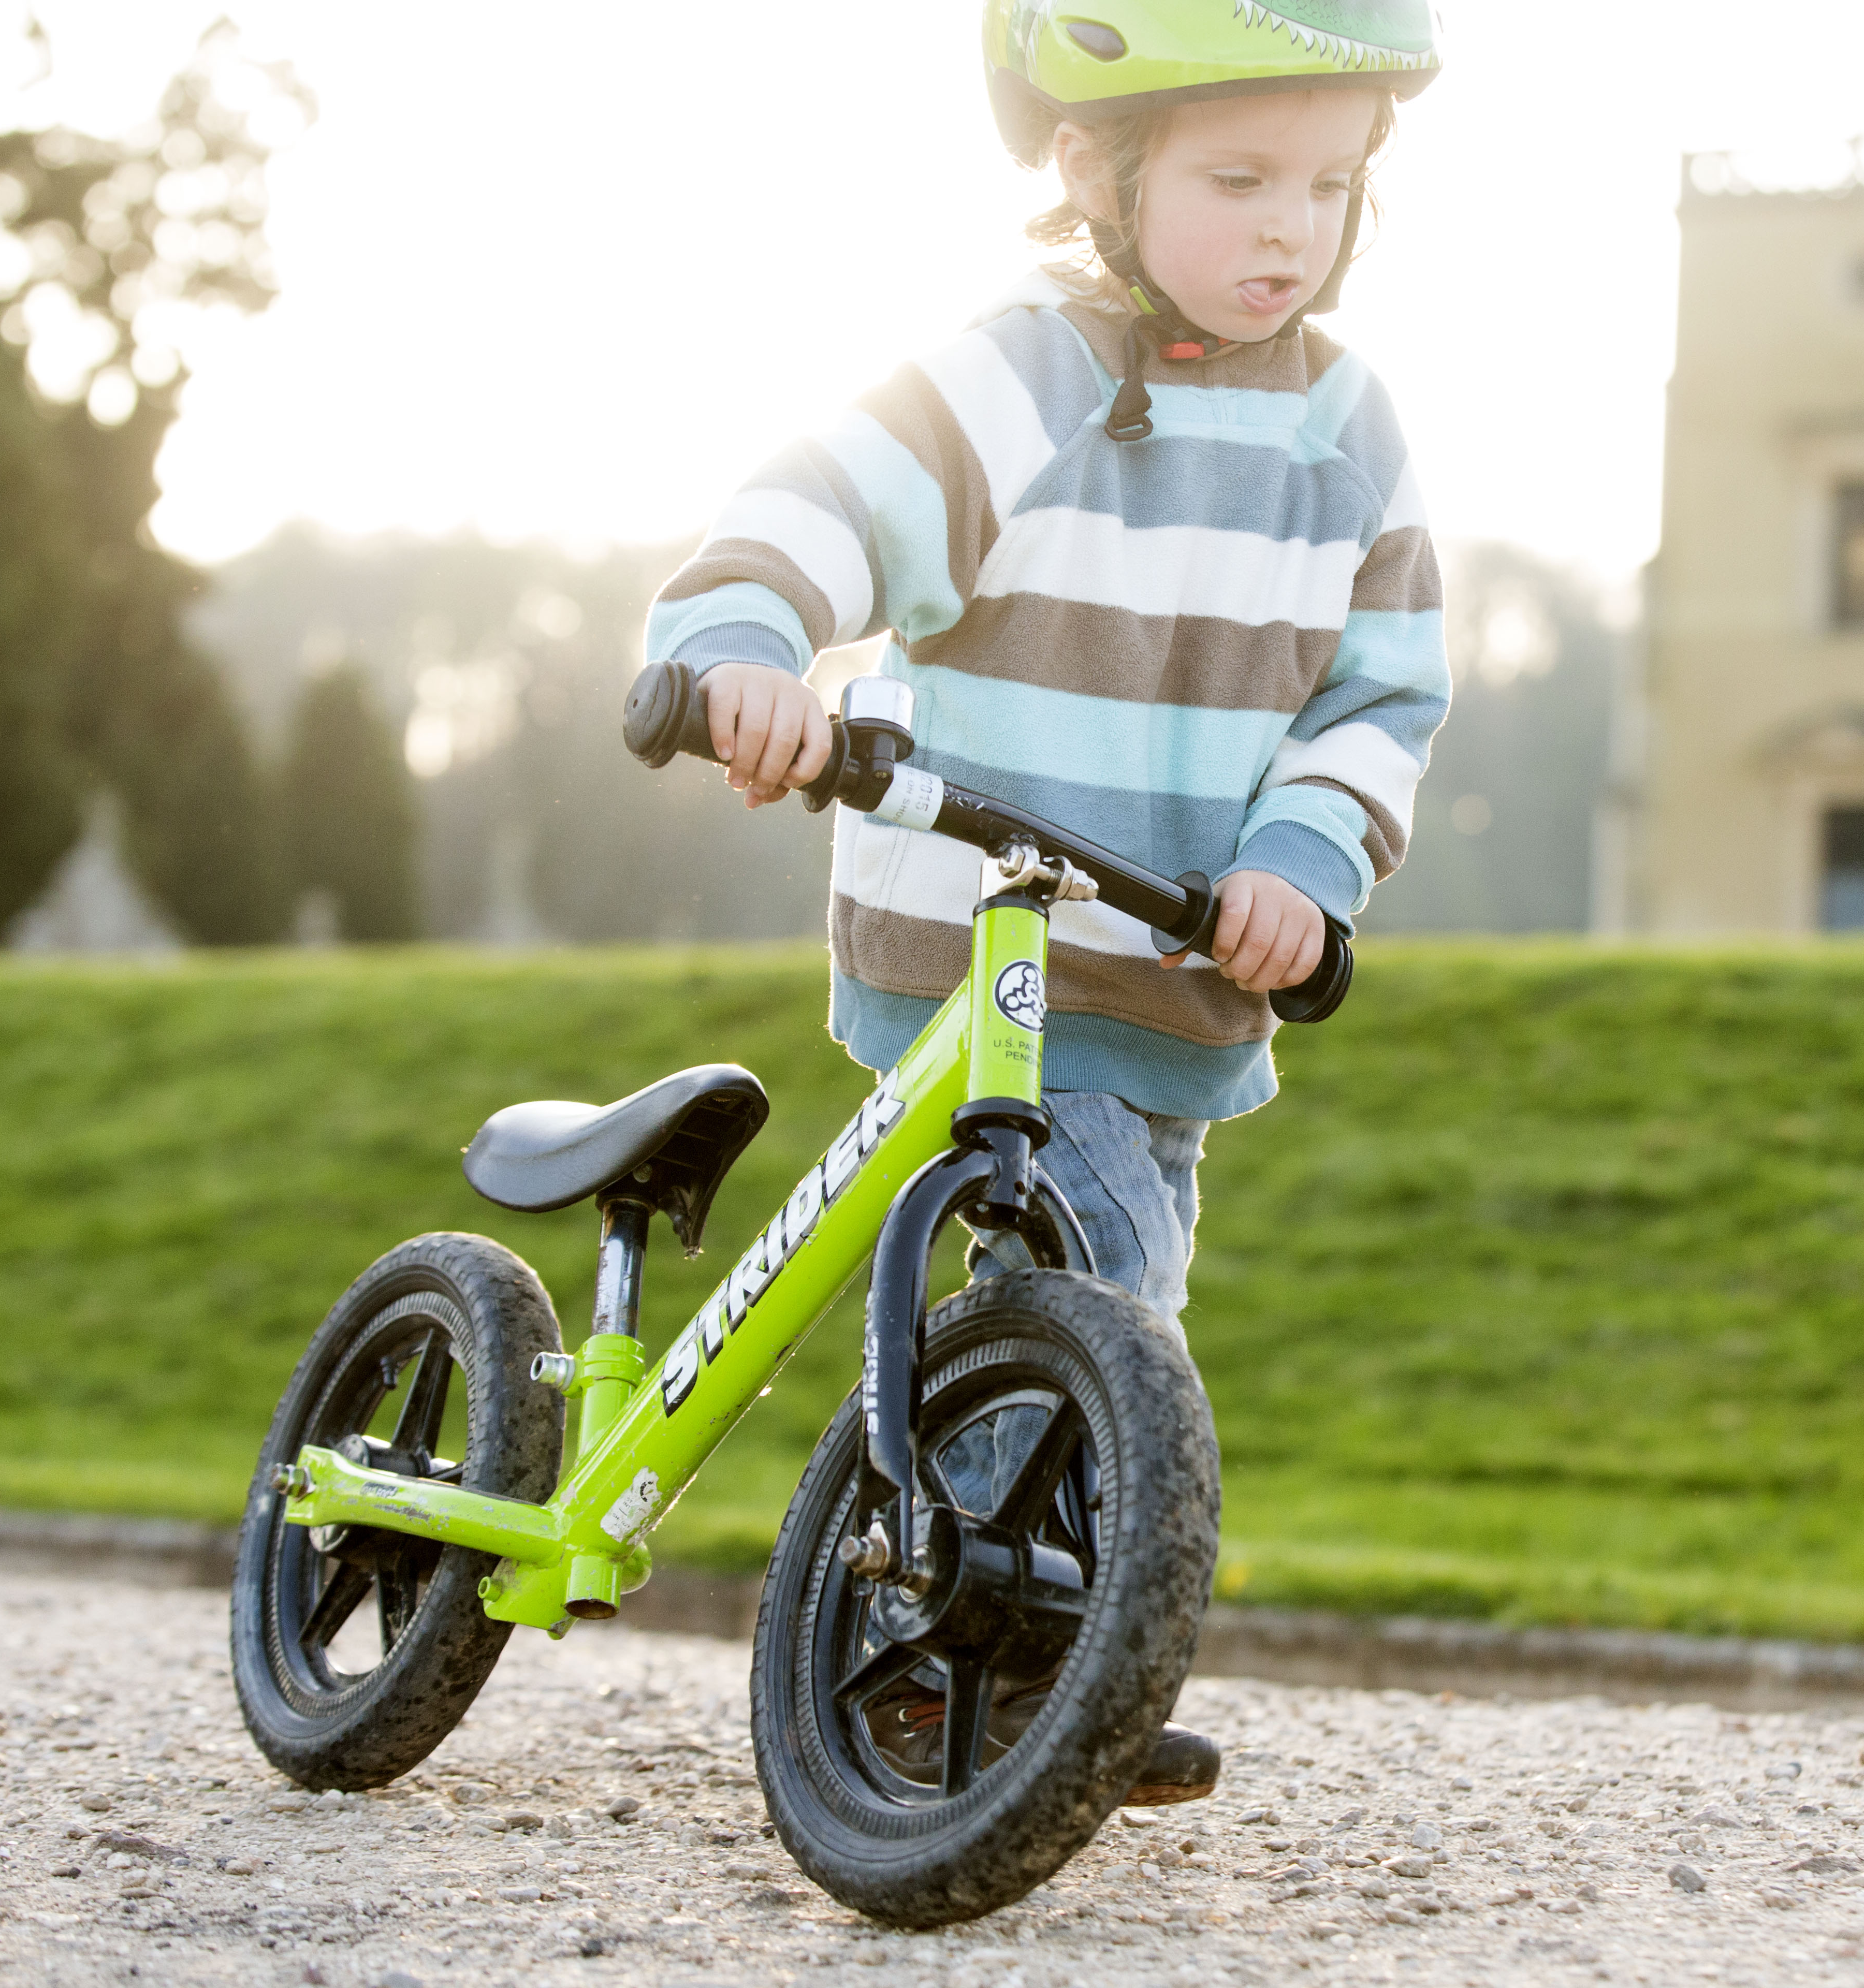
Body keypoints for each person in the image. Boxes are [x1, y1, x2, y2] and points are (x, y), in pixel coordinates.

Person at [638, 1, 1449, 1804]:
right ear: (1096, 166)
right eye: (1238, 179)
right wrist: (747, 648)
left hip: (1172, 972)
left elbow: (1378, 697)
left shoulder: (1350, 431)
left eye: (1328, 184)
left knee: (1111, 1282)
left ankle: (1016, 1635)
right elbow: (820, 506)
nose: (1287, 229)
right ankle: (987, 1670)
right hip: (989, 949)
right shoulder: (1022, 375)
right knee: (1098, 1289)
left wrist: (1303, 862)